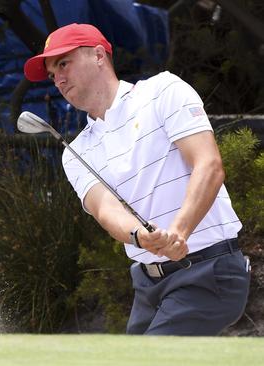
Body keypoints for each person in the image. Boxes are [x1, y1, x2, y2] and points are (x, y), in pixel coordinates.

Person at [23, 23, 250, 335]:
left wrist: (178, 232)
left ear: (99, 56)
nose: (58, 79)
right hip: (148, 286)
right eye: (52, 74)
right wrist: (139, 237)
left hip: (208, 273)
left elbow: (208, 165)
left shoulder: (163, 91)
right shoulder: (74, 152)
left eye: (64, 64)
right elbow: (106, 210)